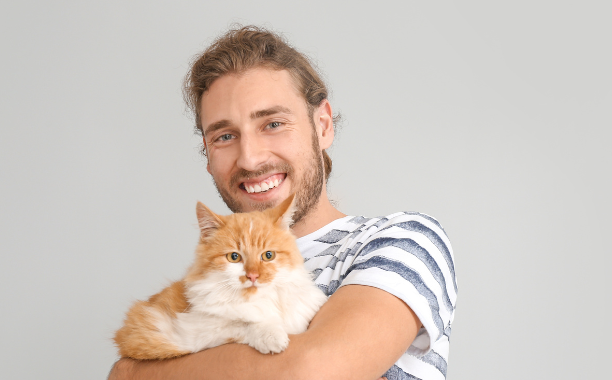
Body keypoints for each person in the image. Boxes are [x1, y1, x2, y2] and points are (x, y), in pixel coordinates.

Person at [109, 25, 457, 380]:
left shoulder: (401, 241)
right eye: (225, 136)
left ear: (322, 126)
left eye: (273, 123)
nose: (250, 158)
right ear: (207, 155)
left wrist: (132, 374)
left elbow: (311, 370)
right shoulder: (213, 272)